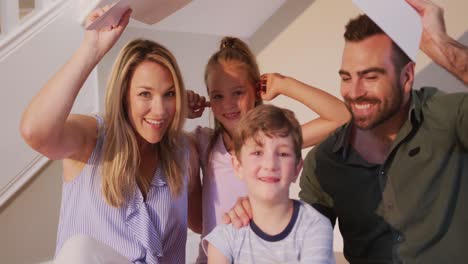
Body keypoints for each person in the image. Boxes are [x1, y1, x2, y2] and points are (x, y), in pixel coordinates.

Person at [223, 0, 468, 263]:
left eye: (370, 77)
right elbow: (298, 242)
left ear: (407, 77)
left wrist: (441, 46)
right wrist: (260, 209)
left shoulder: (447, 117)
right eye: (346, 77)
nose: (354, 92)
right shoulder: (324, 160)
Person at [19, 7, 201, 264]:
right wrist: (90, 51)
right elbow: (35, 131)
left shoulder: (184, 152)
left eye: (169, 94)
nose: (160, 110)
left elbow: (205, 223)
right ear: (123, 95)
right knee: (79, 249)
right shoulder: (92, 138)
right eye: (145, 94)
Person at [187, 37, 350, 263]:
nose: (228, 104)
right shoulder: (204, 143)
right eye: (218, 96)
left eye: (237, 92)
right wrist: (178, 107)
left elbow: (342, 117)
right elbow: (159, 141)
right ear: (209, 100)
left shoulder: (274, 145)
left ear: (256, 91)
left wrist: (284, 84)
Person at [203, 104, 334, 264]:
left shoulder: (315, 227)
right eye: (257, 152)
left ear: (296, 169)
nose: (270, 164)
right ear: (238, 166)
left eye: (283, 154)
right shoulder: (224, 238)